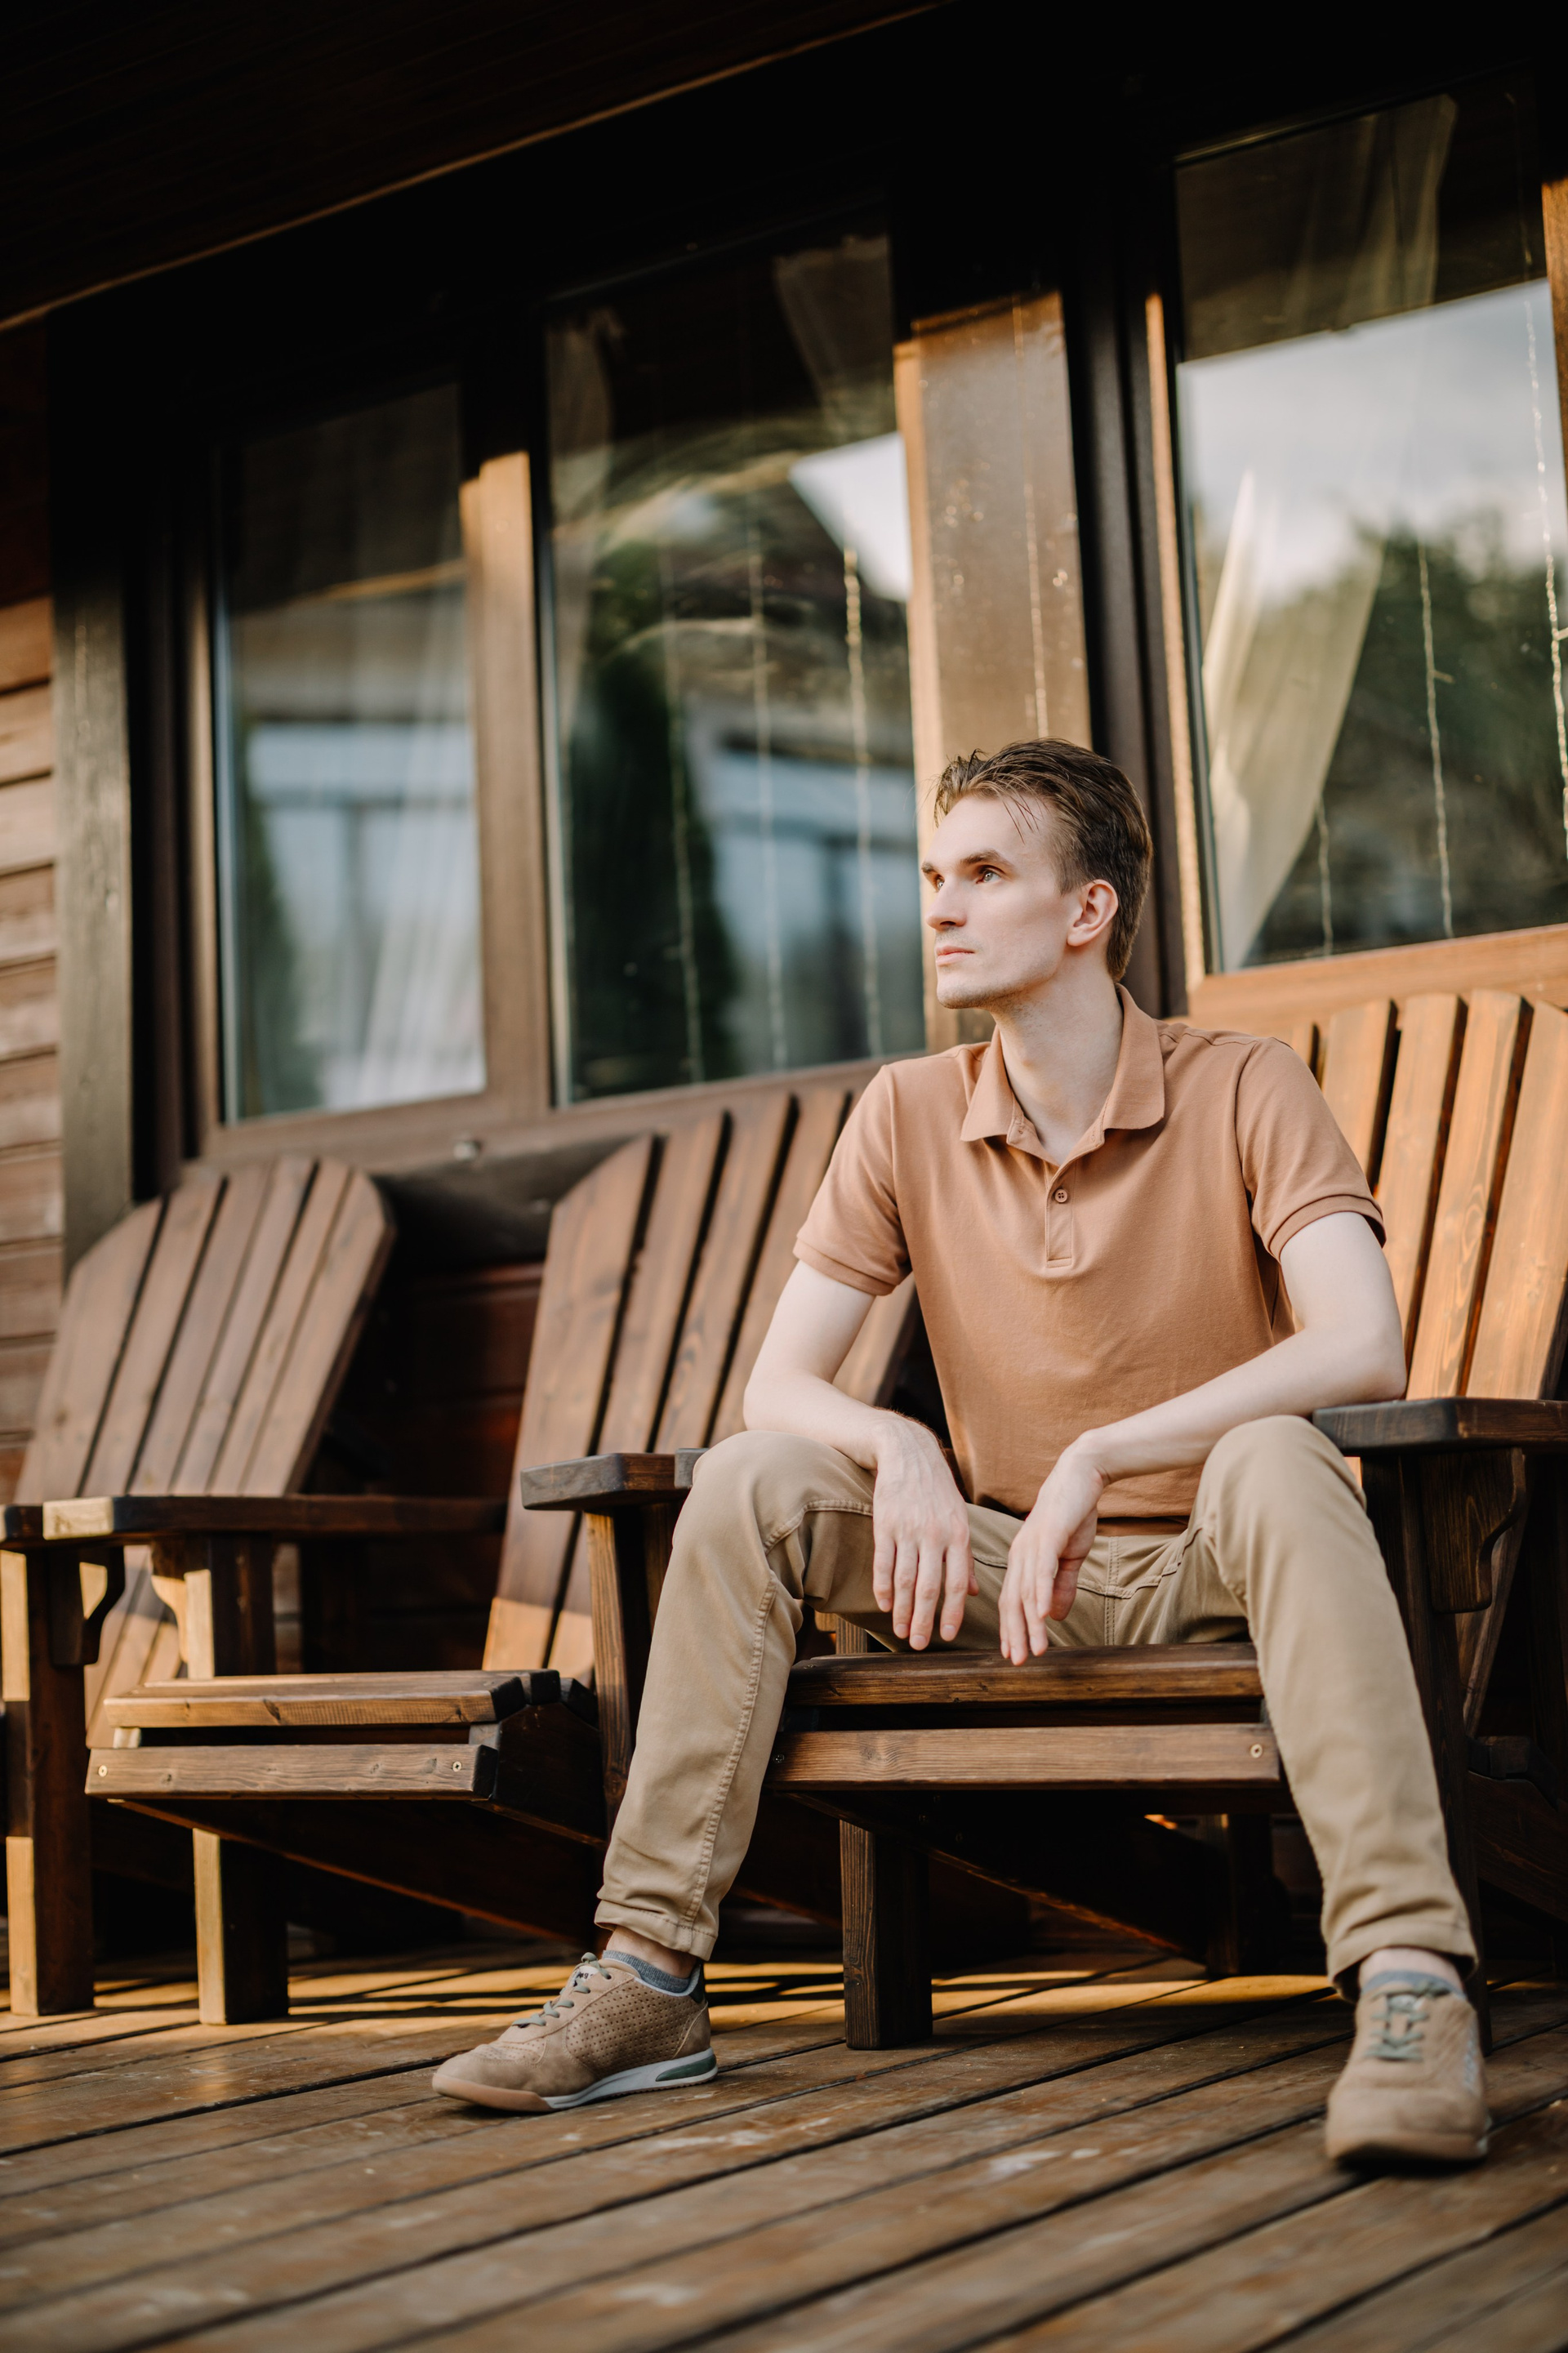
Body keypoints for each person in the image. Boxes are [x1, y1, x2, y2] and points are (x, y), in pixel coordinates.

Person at [434, 738, 1488, 2168]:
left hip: (1215, 1562)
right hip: (1006, 1580)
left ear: (1088, 909)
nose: (940, 903)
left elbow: (1364, 1342)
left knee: (1277, 1457)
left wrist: (1102, 1454)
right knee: (748, 1481)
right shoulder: (908, 1109)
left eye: (985, 872)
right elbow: (775, 1386)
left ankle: (1411, 1981)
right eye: (934, 873)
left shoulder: (1246, 1082)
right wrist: (899, 1444)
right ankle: (648, 1976)